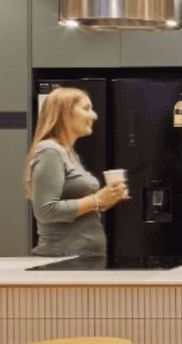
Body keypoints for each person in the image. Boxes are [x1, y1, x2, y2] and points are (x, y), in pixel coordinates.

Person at [23, 87, 128, 259]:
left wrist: (106, 199)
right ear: (64, 113)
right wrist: (97, 200)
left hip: (81, 259)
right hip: (62, 261)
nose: (94, 115)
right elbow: (46, 210)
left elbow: (79, 208)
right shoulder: (50, 151)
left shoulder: (68, 153)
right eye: (86, 108)